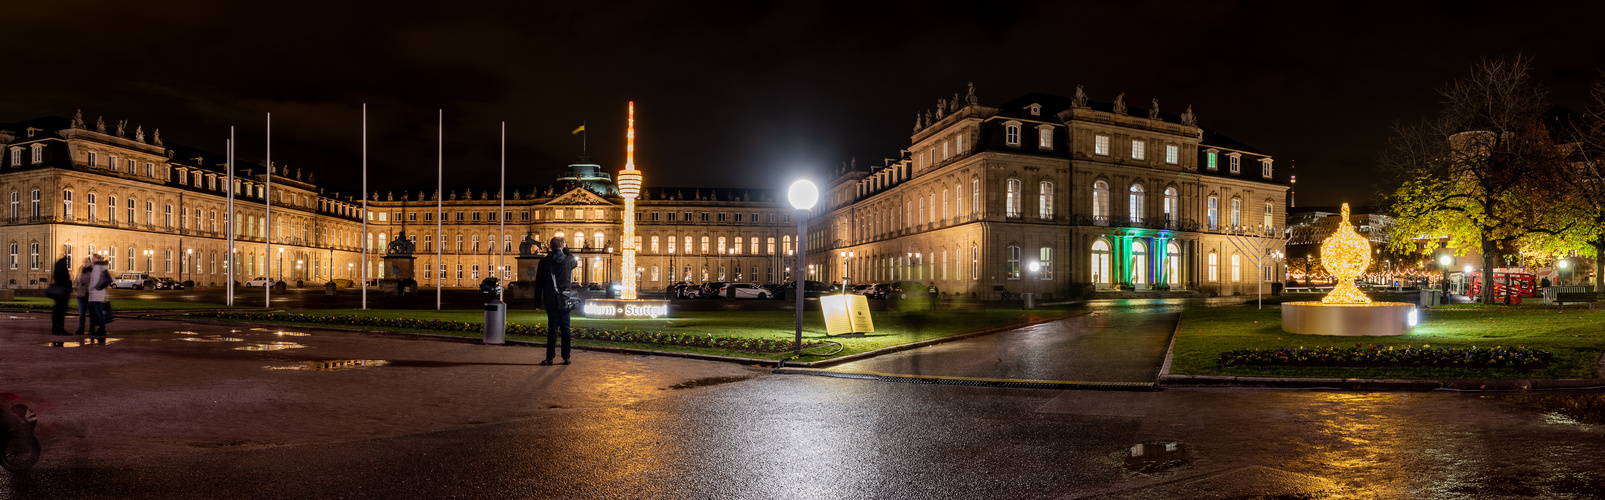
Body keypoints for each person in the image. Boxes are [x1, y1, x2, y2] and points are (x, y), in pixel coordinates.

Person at [533, 237, 579, 365]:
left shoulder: (543, 262)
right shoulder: (568, 260)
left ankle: (549, 358)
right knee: (565, 328)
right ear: (562, 246)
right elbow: (574, 261)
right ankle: (566, 357)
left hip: (550, 298)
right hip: (565, 298)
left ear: (550, 247)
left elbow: (538, 284)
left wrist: (537, 303)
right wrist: (566, 249)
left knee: (552, 328)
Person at [85, 256, 112, 335]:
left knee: (98, 313)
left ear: (97, 259)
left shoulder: (97, 267)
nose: (92, 259)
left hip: (95, 294)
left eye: (93, 258)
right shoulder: (101, 267)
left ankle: (101, 329)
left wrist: (90, 289)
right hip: (98, 294)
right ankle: (99, 328)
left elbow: (95, 281)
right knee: (98, 312)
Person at [47, 253, 72, 336]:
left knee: (56, 312)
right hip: (63, 292)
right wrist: (69, 285)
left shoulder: (57, 266)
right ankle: (60, 329)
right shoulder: (63, 268)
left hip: (58, 293)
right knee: (61, 312)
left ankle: (55, 328)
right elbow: (65, 280)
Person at [73, 257, 93, 334]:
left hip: (88, 293)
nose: (84, 263)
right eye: (83, 261)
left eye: (86, 261)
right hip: (80, 293)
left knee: (91, 312)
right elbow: (76, 280)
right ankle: (81, 328)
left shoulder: (91, 271)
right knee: (81, 312)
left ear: (89, 262)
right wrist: (76, 288)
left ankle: (91, 328)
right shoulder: (80, 270)